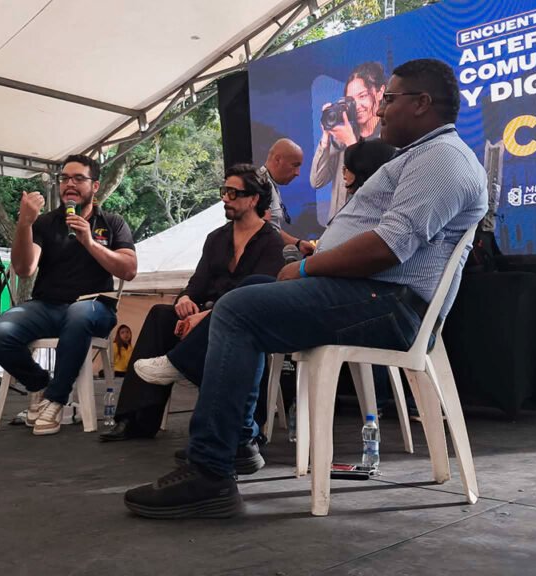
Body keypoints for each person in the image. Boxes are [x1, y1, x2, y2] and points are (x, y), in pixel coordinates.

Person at [124, 58, 489, 519]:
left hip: (391, 305)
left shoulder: (444, 160)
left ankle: (210, 473)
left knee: (238, 310)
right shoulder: (421, 156)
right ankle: (235, 443)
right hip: (372, 296)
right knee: (253, 288)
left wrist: (309, 267)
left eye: (389, 100)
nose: (379, 112)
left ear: (422, 103)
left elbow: (388, 247)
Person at [98, 164, 284, 448]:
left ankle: (238, 428)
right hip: (203, 312)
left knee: (234, 332)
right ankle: (134, 419)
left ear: (254, 199)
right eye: (224, 191)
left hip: (241, 321)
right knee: (161, 315)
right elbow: (197, 283)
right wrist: (185, 300)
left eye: (233, 193)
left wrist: (210, 314)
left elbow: (259, 292)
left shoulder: (271, 241)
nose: (225, 198)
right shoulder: (216, 238)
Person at [0, 154, 137, 437]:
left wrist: (90, 243)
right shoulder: (45, 223)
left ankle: (56, 400)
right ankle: (41, 385)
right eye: (65, 178)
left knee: (78, 313)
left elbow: (128, 270)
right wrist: (24, 224)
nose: (69, 184)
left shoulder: (113, 222)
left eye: (78, 178)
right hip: (48, 306)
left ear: (95, 185)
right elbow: (24, 268)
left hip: (95, 308)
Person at [310, 61, 387, 222]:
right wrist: (326, 137)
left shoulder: (389, 138)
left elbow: (378, 189)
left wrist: (351, 142)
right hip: (338, 227)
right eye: (352, 100)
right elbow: (317, 181)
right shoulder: (343, 136)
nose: (357, 106)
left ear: (380, 92)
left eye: (363, 96)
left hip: (368, 230)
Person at [258, 139, 314, 256]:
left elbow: (271, 229)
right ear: (278, 159)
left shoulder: (267, 183)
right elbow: (258, 231)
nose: (297, 173)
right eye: (295, 165)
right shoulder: (258, 186)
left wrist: (298, 244)